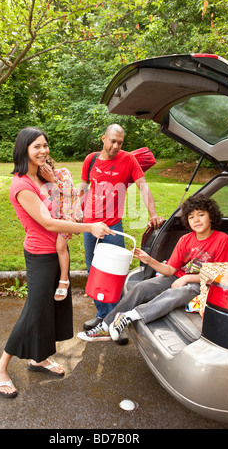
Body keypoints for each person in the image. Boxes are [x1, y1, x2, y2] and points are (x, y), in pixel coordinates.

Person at [0, 127, 112, 398]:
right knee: (34, 312)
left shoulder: (40, 177)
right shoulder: (21, 184)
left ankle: (39, 358)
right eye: (36, 146)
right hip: (39, 255)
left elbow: (62, 205)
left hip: (55, 252)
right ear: (24, 149)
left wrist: (52, 183)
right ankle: (1, 367)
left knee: (48, 310)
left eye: (45, 145)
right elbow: (47, 221)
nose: (43, 151)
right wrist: (90, 227)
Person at [77, 194, 228, 342]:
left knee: (183, 291)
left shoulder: (222, 240)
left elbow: (219, 274)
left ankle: (131, 316)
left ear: (211, 216)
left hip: (201, 284)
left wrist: (187, 278)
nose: (196, 220)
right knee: (141, 287)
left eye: (201, 215)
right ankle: (105, 326)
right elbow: (170, 270)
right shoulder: (185, 240)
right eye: (191, 217)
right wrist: (149, 260)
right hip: (177, 277)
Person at [79, 124, 164, 338]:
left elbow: (144, 187)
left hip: (112, 227)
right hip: (89, 225)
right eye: (112, 141)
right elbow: (83, 188)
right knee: (94, 272)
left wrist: (153, 213)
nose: (116, 146)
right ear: (103, 139)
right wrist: (76, 211)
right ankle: (102, 314)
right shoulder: (90, 159)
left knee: (115, 275)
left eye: (120, 142)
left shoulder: (128, 159)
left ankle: (115, 322)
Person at [40, 158, 83, 301]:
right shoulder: (40, 182)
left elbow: (69, 193)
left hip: (70, 216)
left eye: (46, 167)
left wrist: (52, 179)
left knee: (60, 246)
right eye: (41, 170)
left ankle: (64, 280)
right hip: (58, 218)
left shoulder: (64, 173)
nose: (44, 171)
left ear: (51, 164)